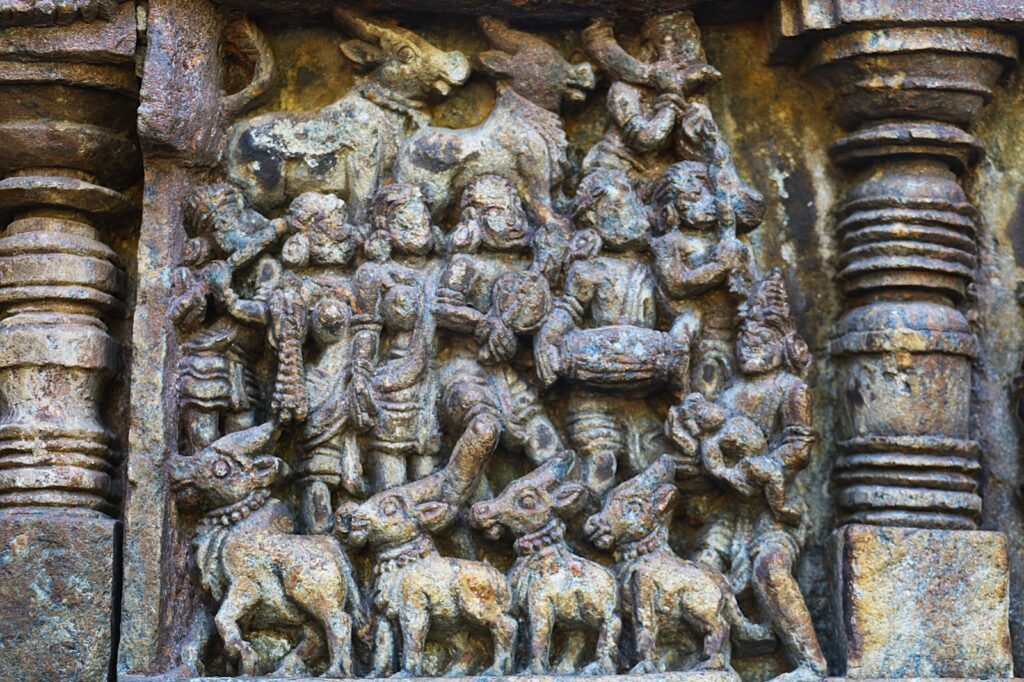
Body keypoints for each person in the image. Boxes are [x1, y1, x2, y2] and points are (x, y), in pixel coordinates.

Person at [691, 269, 827, 682]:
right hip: (730, 508)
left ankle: (811, 663)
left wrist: (772, 464)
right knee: (702, 570)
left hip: (772, 508)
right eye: (743, 342)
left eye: (760, 343)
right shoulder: (731, 392)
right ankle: (715, 659)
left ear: (783, 346)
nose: (748, 350)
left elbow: (799, 444)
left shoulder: (790, 389)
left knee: (769, 569)